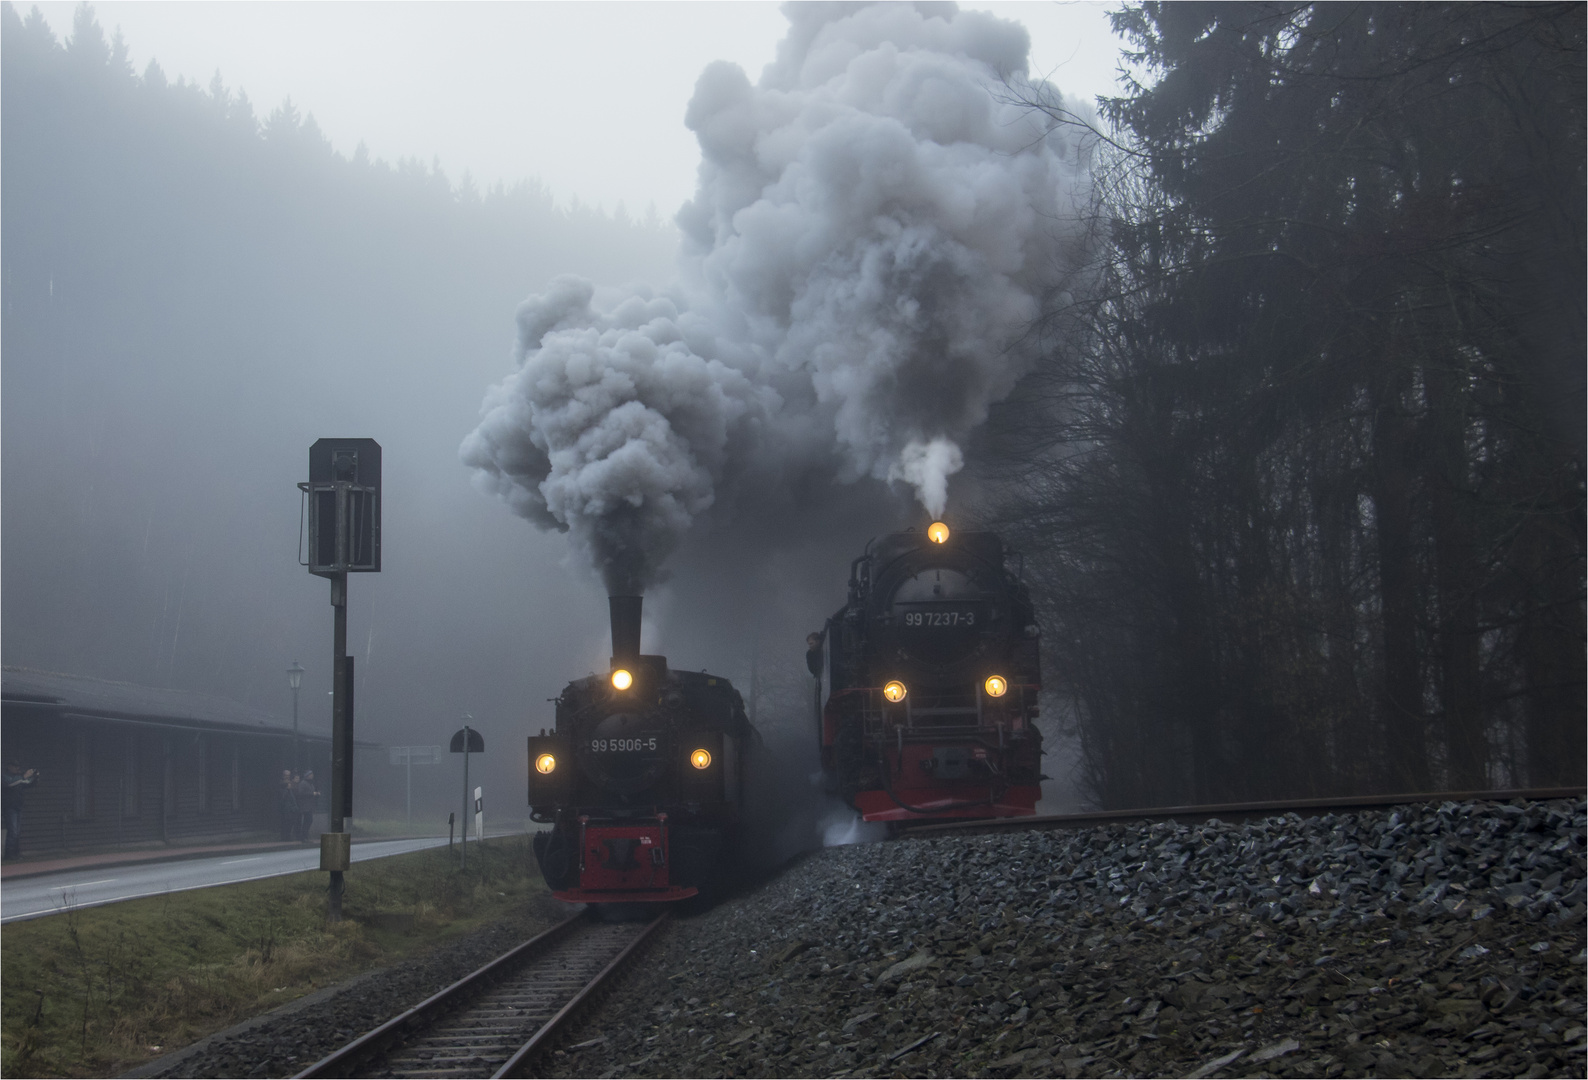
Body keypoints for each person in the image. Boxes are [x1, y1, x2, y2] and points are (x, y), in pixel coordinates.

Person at [3, 762, 40, 860]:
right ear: (9, 767)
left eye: (18, 766)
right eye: (15, 766)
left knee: (17, 832)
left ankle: (16, 853)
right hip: (10, 808)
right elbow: (11, 784)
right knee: (13, 832)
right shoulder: (5, 777)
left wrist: (35, 777)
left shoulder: (18, 778)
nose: (17, 768)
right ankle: (9, 854)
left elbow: (28, 783)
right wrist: (24, 776)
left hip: (18, 808)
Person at [296, 769, 319, 842]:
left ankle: (305, 836)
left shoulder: (310, 783)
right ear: (307, 776)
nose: (312, 776)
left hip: (309, 805)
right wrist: (312, 794)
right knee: (308, 820)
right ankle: (303, 836)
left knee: (309, 820)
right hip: (305, 806)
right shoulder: (303, 783)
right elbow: (300, 794)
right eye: (310, 774)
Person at [278, 770, 297, 841]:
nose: (287, 777)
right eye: (286, 775)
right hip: (284, 808)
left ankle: (288, 836)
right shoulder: (281, 784)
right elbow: (282, 798)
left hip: (291, 808)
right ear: (283, 775)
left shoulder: (291, 784)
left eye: (289, 775)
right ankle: (284, 837)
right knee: (284, 823)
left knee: (290, 823)